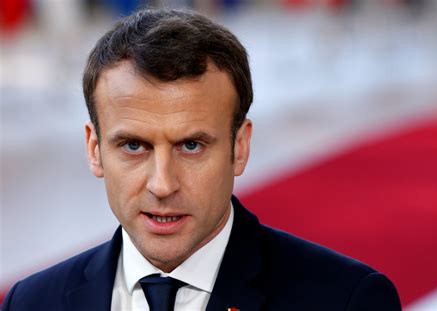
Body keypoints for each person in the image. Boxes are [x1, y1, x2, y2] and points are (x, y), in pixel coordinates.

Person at [2, 9, 401, 311]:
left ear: (239, 147)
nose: (162, 184)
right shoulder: (31, 302)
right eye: (134, 146)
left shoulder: (346, 300)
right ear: (95, 149)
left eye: (191, 146)